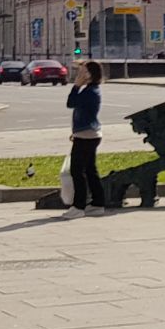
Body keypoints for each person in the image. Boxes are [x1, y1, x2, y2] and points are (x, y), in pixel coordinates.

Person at [63, 61, 107, 216]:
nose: (79, 75)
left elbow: (71, 103)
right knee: (90, 170)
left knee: (77, 170)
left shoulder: (90, 92)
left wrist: (76, 86)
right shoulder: (91, 90)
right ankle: (98, 203)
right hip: (88, 134)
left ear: (89, 75)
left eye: (82, 72)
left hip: (86, 136)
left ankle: (78, 206)